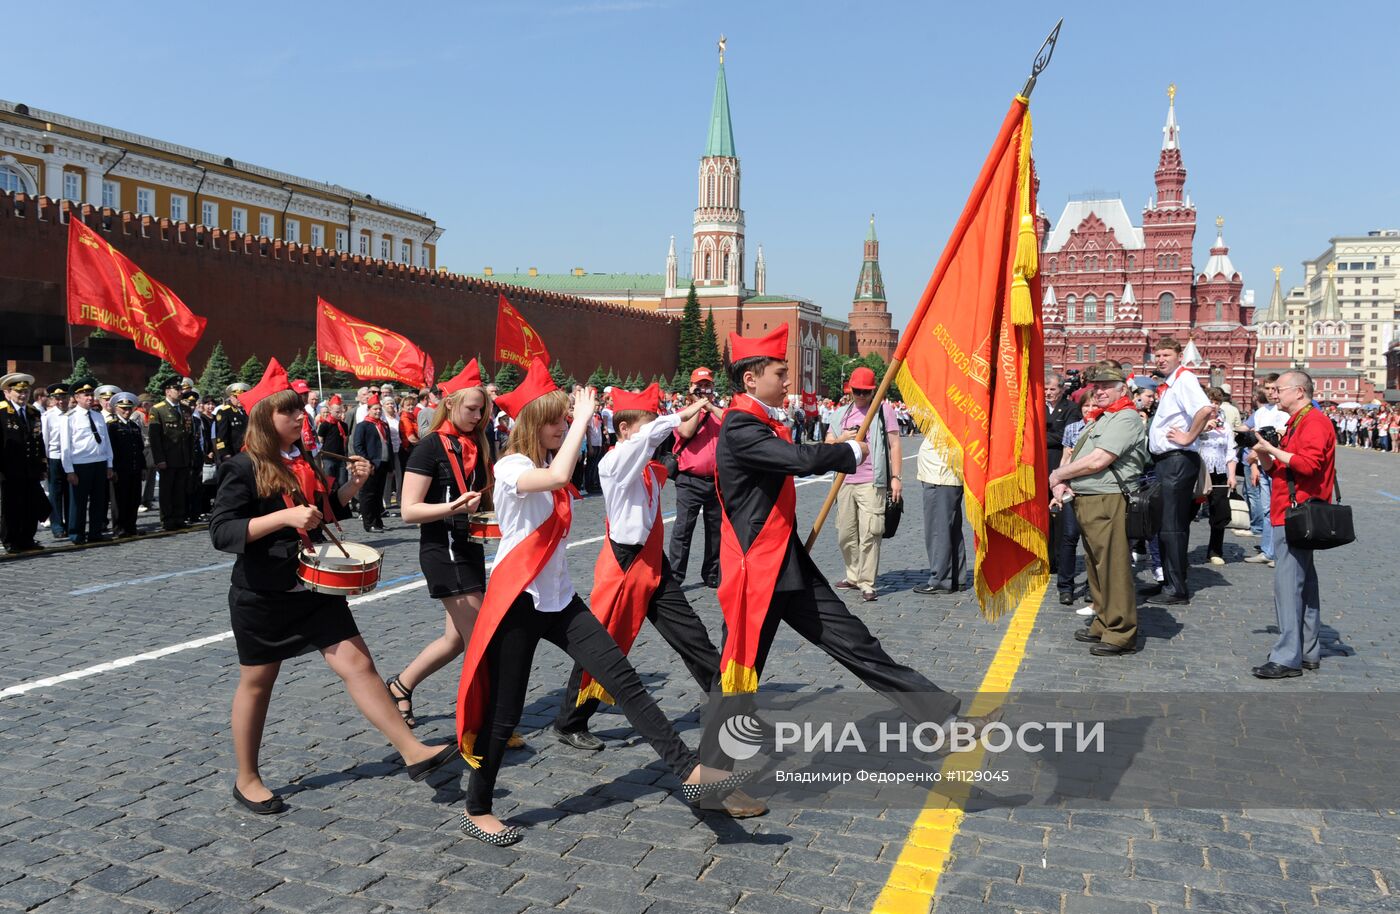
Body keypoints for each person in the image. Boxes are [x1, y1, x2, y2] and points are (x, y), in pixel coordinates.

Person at [455, 360, 745, 844]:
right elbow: (559, 476)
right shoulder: (513, 466)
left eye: (564, 419)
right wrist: (586, 420)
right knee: (506, 713)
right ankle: (477, 805)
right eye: (554, 420)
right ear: (531, 423)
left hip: (560, 600)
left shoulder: (547, 463)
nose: (562, 427)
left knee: (624, 681)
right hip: (517, 603)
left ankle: (689, 771)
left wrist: (671, 420)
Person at [696, 326, 998, 773]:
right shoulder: (741, 426)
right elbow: (797, 461)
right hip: (756, 573)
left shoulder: (757, 421)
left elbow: (792, 457)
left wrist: (838, 449)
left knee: (858, 644)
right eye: (779, 373)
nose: (786, 381)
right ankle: (712, 780)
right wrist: (849, 454)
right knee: (738, 678)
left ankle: (942, 720)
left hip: (786, 563)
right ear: (750, 380)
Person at [209, 383, 457, 814]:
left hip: (313, 587)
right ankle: (246, 778)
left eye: (298, 411)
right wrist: (282, 517)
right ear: (267, 419)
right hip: (264, 595)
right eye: (288, 413)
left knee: (359, 665)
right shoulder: (241, 466)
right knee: (258, 684)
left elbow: (322, 515)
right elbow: (223, 532)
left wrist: (352, 487)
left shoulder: (300, 459)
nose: (298, 418)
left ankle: (412, 751)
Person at [550, 386, 727, 765]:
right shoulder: (614, 463)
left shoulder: (644, 463)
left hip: (652, 561)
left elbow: (661, 441)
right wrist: (678, 416)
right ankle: (570, 721)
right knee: (603, 647)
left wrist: (687, 419)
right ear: (627, 428)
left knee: (691, 634)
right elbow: (650, 436)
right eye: (650, 427)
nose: (657, 434)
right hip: (624, 565)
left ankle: (726, 700)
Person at [385, 362, 521, 749]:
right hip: (441, 551)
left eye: (483, 410)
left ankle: (400, 685)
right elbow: (410, 511)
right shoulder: (429, 447)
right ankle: (483, 723)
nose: (478, 417)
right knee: (482, 638)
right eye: (471, 409)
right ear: (451, 405)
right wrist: (453, 509)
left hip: (469, 548)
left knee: (455, 640)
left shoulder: (479, 443)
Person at [1048, 367, 1148, 655]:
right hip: (1090, 498)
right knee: (1096, 566)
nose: (1100, 391)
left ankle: (1121, 632)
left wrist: (1058, 475)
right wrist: (1065, 480)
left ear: (1123, 390)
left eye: (1107, 386)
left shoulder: (1125, 418)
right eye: (1097, 387)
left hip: (1109, 499)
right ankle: (1104, 621)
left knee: (1113, 567)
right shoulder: (1105, 417)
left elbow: (1098, 459)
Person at [1249, 369, 1336, 679]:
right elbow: (1283, 469)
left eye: (1280, 389)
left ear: (1299, 392)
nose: (1275, 394)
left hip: (1295, 512)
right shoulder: (1299, 421)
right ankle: (1308, 650)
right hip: (1293, 509)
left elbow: (1308, 465)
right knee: (1304, 584)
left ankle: (1287, 656)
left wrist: (1272, 450)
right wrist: (1263, 455)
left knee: (1288, 586)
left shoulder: (1313, 421)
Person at [1143, 338, 1213, 606]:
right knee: (1164, 523)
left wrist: (1188, 437)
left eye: (1166, 355)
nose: (1160, 359)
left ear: (1179, 355)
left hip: (1177, 460)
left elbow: (1205, 409)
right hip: (1167, 461)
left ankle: (1176, 588)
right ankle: (1167, 582)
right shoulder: (1172, 382)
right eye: (1157, 355)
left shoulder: (1184, 379)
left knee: (1171, 525)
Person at [825, 366, 902, 601]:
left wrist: (896, 478)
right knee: (845, 534)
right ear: (850, 390)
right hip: (844, 481)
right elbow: (827, 444)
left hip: (872, 481)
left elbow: (895, 444)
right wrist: (841, 439)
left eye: (865, 392)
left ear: (873, 391)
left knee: (871, 531)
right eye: (856, 391)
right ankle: (853, 575)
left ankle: (867, 582)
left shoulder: (882, 411)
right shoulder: (840, 414)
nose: (860, 396)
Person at [666, 367, 725, 587]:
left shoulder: (719, 411)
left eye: (707, 385)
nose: (703, 389)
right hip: (689, 481)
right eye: (699, 386)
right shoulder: (683, 412)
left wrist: (710, 406)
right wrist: (698, 406)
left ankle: (712, 573)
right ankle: (676, 576)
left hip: (717, 481)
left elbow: (731, 422)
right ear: (691, 388)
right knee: (683, 529)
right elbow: (686, 432)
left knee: (716, 530)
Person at [57, 380, 114, 546]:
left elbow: (106, 442)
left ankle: (95, 532)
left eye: (91, 394)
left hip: (99, 462)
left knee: (98, 500)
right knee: (78, 502)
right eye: (85, 395)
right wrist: (69, 470)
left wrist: (109, 463)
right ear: (76, 397)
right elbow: (65, 446)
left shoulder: (98, 416)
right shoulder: (69, 418)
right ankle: (76, 533)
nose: (90, 398)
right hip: (80, 464)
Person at [912, 430, 966, 595]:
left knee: (938, 530)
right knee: (951, 530)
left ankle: (941, 579)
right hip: (946, 473)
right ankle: (956, 577)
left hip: (940, 474)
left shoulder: (946, 410)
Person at [1, 372, 49, 554]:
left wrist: (42, 465)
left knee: (31, 505)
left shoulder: (32, 412)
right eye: (19, 392)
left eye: (26, 392)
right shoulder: (2, 412)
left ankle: (27, 538)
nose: (23, 396)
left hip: (31, 468)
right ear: (7, 393)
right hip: (9, 470)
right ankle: (10, 540)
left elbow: (38, 439)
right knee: (11, 507)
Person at [1243, 375, 1287, 568]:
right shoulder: (1261, 412)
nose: (1270, 392)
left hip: (1278, 466)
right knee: (1267, 509)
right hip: (1262, 465)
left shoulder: (1284, 412)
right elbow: (1253, 438)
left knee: (1280, 510)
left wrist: (1254, 453)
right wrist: (1253, 464)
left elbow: (1278, 439)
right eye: (1267, 388)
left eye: (1274, 388)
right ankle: (1267, 551)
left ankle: (1279, 552)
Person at [149, 378, 194, 531]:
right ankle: (167, 519)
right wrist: (159, 459)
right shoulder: (158, 409)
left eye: (180, 389)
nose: (180, 391)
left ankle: (179, 517)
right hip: (167, 457)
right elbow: (155, 438)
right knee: (167, 490)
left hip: (183, 456)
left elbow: (189, 436)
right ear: (167, 391)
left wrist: (190, 457)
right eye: (177, 389)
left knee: (181, 489)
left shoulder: (186, 409)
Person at [1199, 388, 1236, 566]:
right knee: (1188, 512)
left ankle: (1215, 551)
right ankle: (1180, 550)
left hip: (1219, 472)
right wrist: (1202, 428)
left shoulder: (1225, 426)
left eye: (1217, 402)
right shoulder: (1195, 422)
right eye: (1211, 401)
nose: (1214, 405)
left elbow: (1230, 451)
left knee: (1219, 513)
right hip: (1199, 472)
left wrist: (1232, 475)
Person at [107, 392, 147, 538]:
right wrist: (112, 468)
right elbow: (110, 450)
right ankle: (119, 528)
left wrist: (143, 467)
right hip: (120, 470)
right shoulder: (112, 426)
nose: (127, 411)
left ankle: (131, 526)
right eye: (123, 408)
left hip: (134, 468)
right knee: (119, 500)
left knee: (134, 498)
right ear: (116, 408)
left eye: (129, 408)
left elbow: (140, 449)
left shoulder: (134, 426)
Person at [351, 395, 393, 532]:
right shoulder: (363, 425)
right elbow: (358, 445)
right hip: (371, 465)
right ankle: (369, 523)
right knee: (368, 495)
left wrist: (390, 463)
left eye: (379, 409)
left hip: (383, 464)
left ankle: (378, 522)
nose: (378, 412)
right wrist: (368, 462)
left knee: (378, 495)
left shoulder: (383, 425)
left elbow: (389, 444)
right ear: (369, 409)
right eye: (375, 409)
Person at [40, 382, 71, 540]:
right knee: (55, 493)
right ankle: (57, 526)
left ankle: (71, 524)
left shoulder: (73, 414)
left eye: (64, 397)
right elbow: (44, 439)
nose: (61, 401)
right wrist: (44, 462)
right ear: (53, 399)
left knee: (70, 493)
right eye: (58, 398)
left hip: (72, 459)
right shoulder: (48, 416)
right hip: (55, 458)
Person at [317, 400, 350, 488]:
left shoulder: (344, 425)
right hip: (328, 457)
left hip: (341, 457)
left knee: (342, 482)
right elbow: (320, 440)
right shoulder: (325, 425)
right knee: (329, 483)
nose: (340, 414)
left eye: (341, 412)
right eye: (337, 412)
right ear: (330, 410)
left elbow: (345, 440)